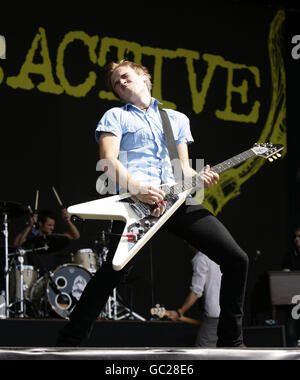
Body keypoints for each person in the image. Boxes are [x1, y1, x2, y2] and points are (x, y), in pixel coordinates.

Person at [56, 60, 249, 347]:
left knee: (236, 259)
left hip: (178, 203)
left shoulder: (176, 119)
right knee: (113, 272)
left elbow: (183, 169)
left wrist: (201, 176)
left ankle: (231, 342)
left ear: (144, 77)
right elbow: (108, 162)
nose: (120, 84)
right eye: (115, 84)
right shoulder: (115, 116)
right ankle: (70, 340)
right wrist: (137, 189)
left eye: (124, 77)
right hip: (137, 204)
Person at [166, 246, 221, 347]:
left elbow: (196, 291)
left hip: (214, 316)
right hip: (229, 315)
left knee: (202, 351)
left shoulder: (201, 259)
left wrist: (179, 312)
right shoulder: (219, 255)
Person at [13, 208, 80, 274]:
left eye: (53, 225)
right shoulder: (32, 236)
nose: (52, 228)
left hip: (52, 275)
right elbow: (16, 244)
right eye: (49, 225)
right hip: (35, 276)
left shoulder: (54, 236)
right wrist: (30, 226)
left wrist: (67, 220)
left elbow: (76, 236)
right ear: (40, 224)